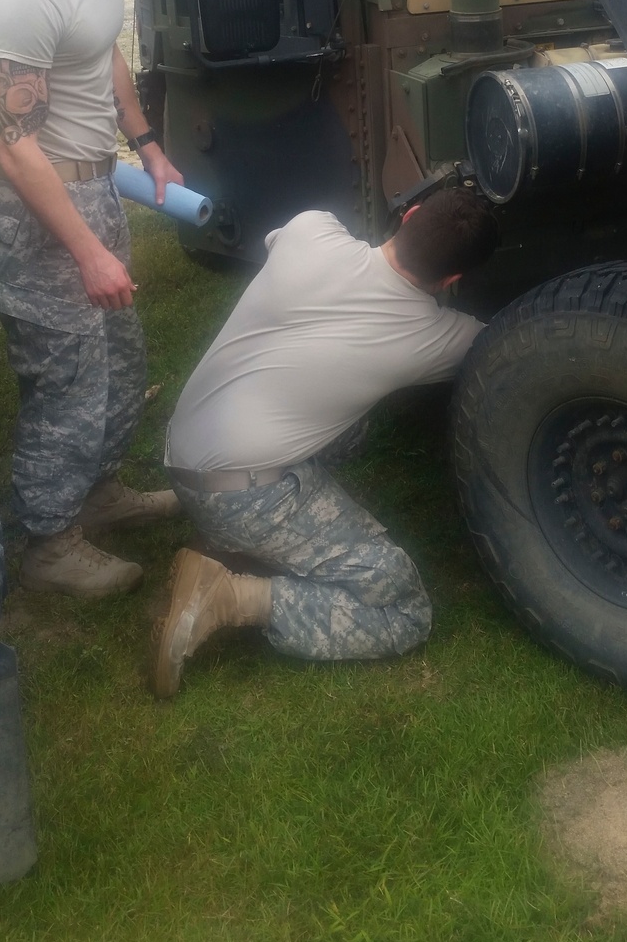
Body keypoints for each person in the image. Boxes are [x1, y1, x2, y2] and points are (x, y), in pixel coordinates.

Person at [151, 190, 498, 697]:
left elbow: (287, 253)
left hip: (183, 448)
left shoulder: (311, 228)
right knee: (404, 610)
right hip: (242, 494)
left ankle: (215, 521)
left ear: (410, 215)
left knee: (346, 418)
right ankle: (229, 597)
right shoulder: (434, 337)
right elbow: (505, 341)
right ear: (452, 281)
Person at [0, 0, 185, 598]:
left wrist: (148, 143)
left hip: (96, 186)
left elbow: (102, 50)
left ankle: (100, 492)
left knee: (120, 359)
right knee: (67, 376)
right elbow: (14, 147)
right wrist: (88, 251)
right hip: (43, 203)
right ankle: (51, 541)